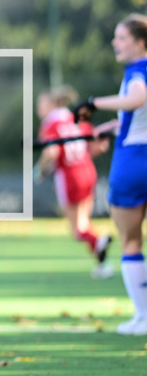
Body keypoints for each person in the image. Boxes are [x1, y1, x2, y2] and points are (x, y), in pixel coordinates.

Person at [76, 13, 147, 335]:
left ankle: (143, 317)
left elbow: (138, 99)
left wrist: (94, 103)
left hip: (133, 162)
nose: (114, 43)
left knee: (131, 241)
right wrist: (110, 127)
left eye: (121, 38)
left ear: (140, 42)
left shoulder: (136, 72)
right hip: (133, 147)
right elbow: (136, 116)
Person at [35, 85, 112, 278]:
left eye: (41, 104)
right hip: (87, 171)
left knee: (78, 230)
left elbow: (51, 152)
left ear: (52, 103)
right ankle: (103, 265)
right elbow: (100, 145)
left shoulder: (51, 124)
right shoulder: (75, 118)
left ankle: (99, 240)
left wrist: (40, 170)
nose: (39, 109)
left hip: (69, 177)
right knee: (84, 223)